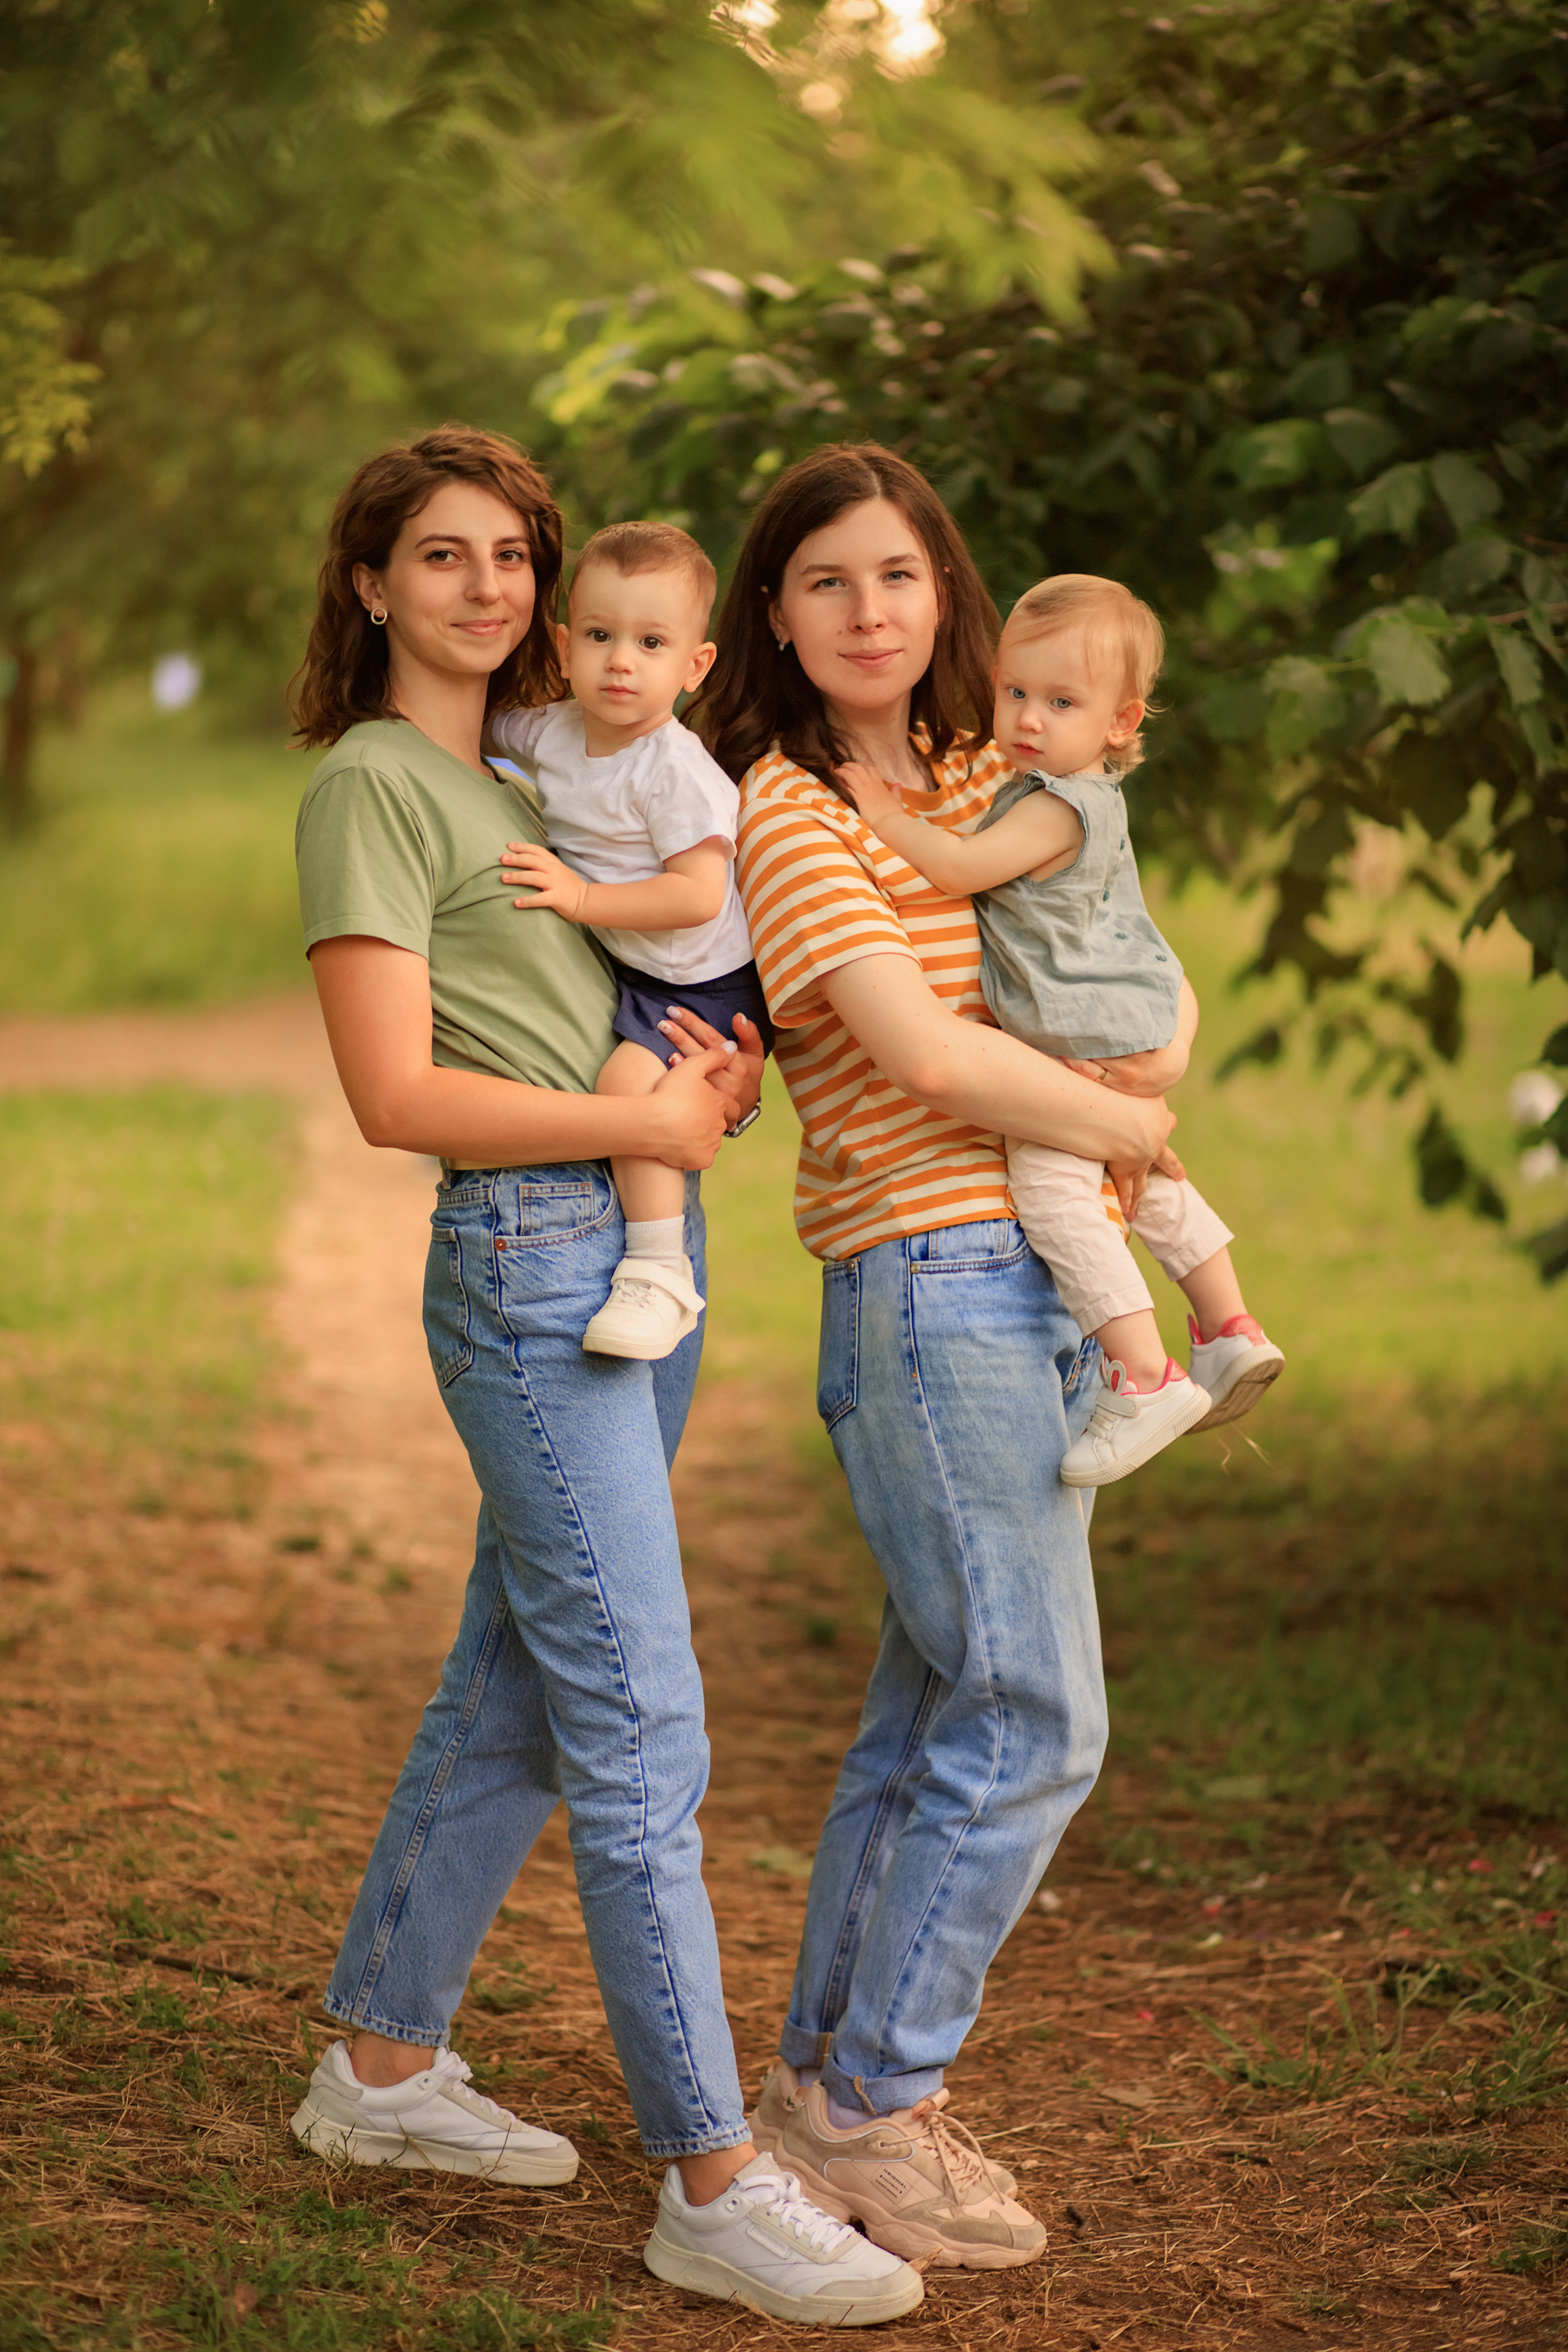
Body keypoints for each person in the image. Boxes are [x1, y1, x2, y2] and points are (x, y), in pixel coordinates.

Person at [284, 424, 924, 2330]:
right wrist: (624, 1110)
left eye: (510, 557)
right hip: (532, 1254)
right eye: (441, 556)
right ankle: (714, 2182)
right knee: (644, 1724)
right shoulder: (375, 788)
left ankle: (381, 2070)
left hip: (633, 1243)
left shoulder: (539, 765)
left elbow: (663, 976)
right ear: (373, 586)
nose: (483, 586)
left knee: (524, 1681)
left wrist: (699, 1088)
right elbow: (395, 1094)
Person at [689, 441, 1176, 2272]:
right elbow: (934, 1059)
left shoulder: (991, 769)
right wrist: (1130, 1128)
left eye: (896, 576)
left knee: (931, 1717)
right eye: (825, 582)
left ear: (943, 592)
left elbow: (1126, 947)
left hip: (1042, 1283)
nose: (868, 611)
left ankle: (831, 2088)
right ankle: (880, 2102)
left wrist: (1150, 1069)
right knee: (1039, 1714)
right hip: (931, 1281)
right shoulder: (792, 812)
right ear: (778, 615)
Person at [835, 571, 1284, 1490]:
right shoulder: (1066, 790)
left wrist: (879, 815)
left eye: (1062, 702)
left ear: (1122, 722)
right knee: (1144, 1176)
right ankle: (1229, 1328)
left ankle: (1143, 1374)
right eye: (1016, 693)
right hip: (1117, 1021)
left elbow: (960, 868)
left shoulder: (1056, 804)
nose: (1029, 719)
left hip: (1071, 1036)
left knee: (1056, 1194)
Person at [486, 520, 774, 1363]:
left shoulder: (673, 769)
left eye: (652, 643)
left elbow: (697, 895)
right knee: (631, 1089)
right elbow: (482, 729)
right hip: (651, 969)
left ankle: (659, 1272)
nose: (621, 662)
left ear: (695, 665)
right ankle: (653, 1263)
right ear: (566, 643)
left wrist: (580, 897)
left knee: (628, 1089)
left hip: (707, 982)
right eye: (602, 637)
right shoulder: (553, 732)